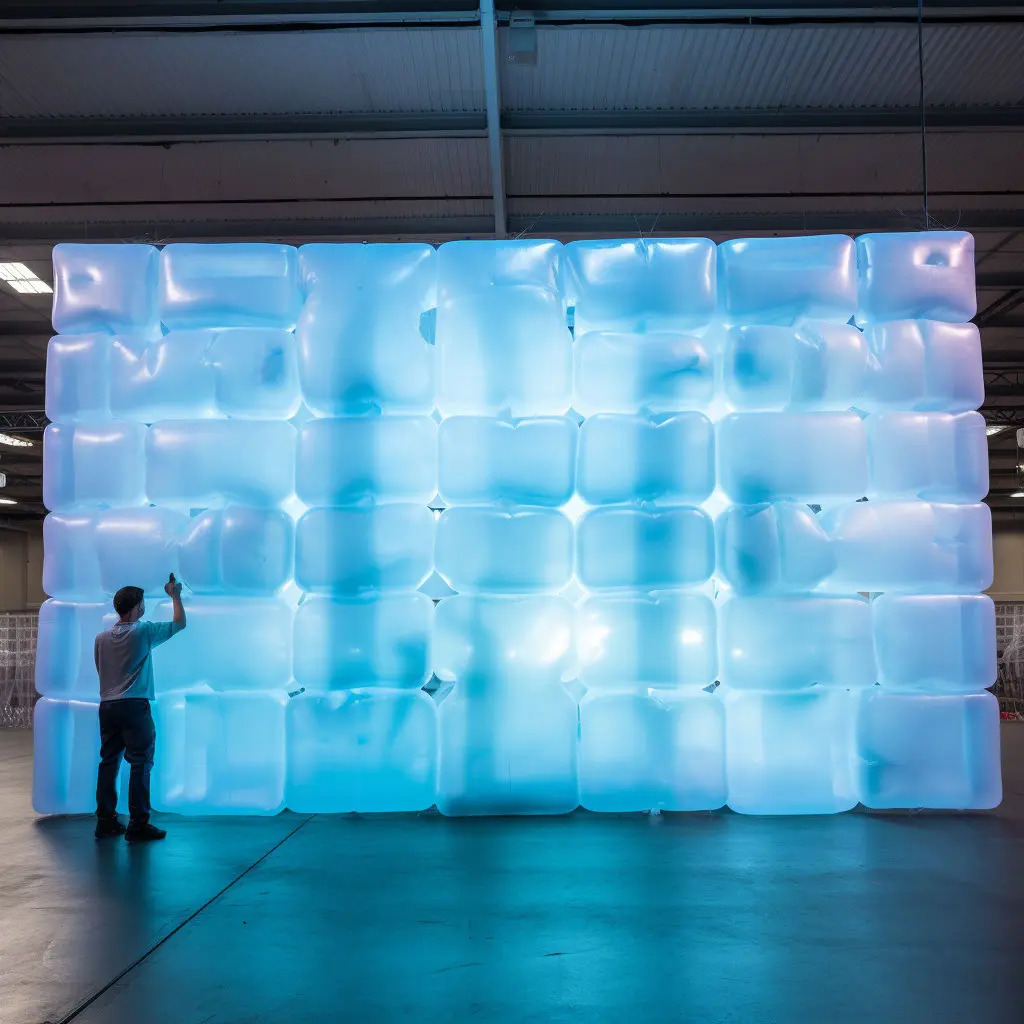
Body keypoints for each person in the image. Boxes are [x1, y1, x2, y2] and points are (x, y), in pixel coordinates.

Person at [94, 573, 187, 842]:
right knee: (140, 762)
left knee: (108, 762)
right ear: (138, 607)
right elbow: (179, 624)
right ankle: (138, 823)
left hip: (107, 705)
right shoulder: (143, 631)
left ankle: (105, 820)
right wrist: (175, 596)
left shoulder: (101, 638)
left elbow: (101, 670)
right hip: (134, 706)